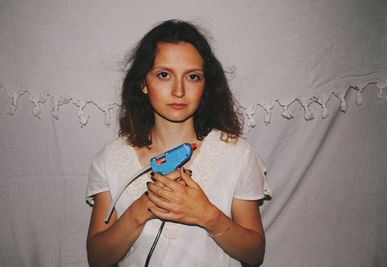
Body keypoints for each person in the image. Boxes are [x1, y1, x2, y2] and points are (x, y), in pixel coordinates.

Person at [86, 19, 268, 267]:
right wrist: (140, 211)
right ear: (143, 83)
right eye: (164, 75)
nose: (179, 91)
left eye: (192, 76)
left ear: (206, 85)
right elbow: (97, 259)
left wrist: (208, 215)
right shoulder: (110, 158)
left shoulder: (237, 154)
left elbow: (255, 254)